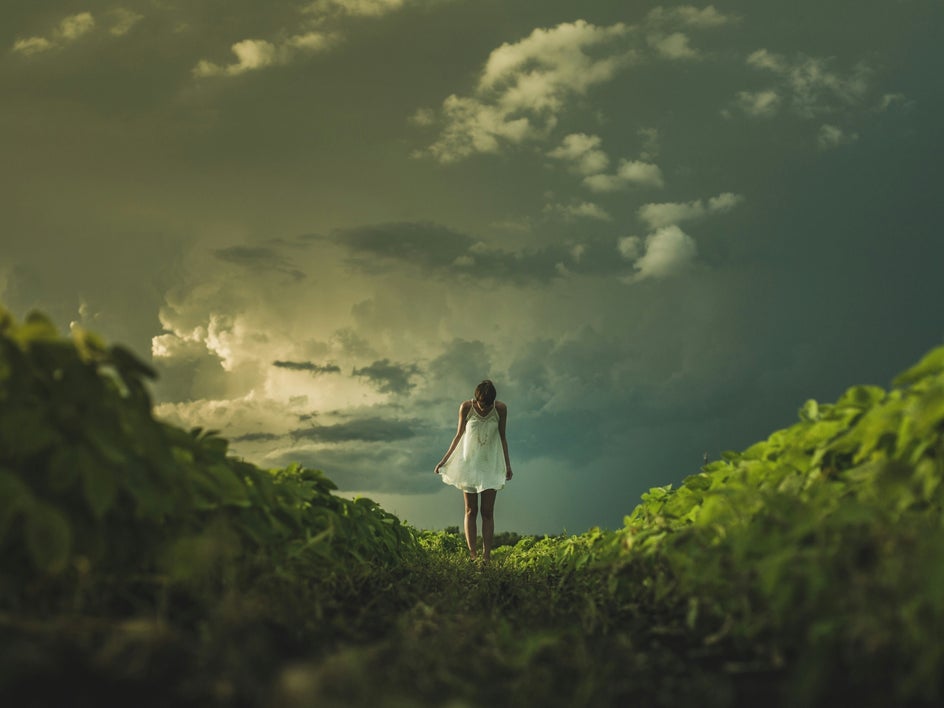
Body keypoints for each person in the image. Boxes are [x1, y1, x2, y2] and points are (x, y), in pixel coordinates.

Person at [435, 379, 512, 562]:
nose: (484, 408)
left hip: (490, 465)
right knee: (471, 510)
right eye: (482, 403)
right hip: (468, 465)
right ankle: (472, 556)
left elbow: (502, 438)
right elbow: (458, 435)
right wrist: (444, 460)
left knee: (487, 512)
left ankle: (486, 557)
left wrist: (507, 465)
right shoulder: (466, 407)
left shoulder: (500, 409)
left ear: (494, 401)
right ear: (476, 399)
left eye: (488, 404)